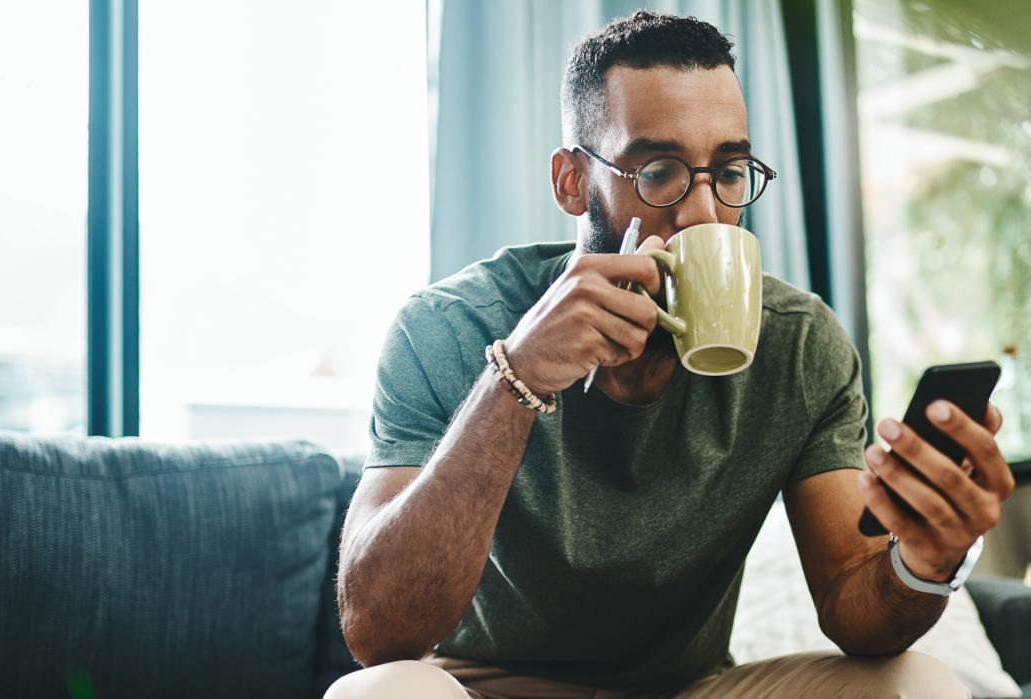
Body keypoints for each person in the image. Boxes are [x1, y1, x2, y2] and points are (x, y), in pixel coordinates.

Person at [325, 10, 1014, 698]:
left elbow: (851, 606)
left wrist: (927, 559)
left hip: (688, 690)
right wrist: (517, 377)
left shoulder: (799, 344)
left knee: (919, 683)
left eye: (730, 170)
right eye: (659, 171)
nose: (703, 214)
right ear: (572, 182)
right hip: (490, 685)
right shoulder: (445, 327)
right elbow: (378, 632)